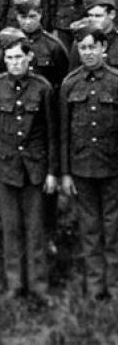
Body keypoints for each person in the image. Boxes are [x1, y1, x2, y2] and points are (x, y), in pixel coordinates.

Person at [0, 28, 57, 300]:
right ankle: (15, 285)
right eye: (10, 58)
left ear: (30, 58)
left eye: (19, 57)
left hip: (35, 169)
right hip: (6, 168)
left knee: (35, 229)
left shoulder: (43, 89)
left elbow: (51, 133)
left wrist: (51, 172)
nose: (14, 63)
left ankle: (38, 287)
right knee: (11, 229)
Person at [61, 20, 118, 299]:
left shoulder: (116, 82)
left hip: (113, 167)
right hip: (81, 167)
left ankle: (115, 286)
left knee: (114, 227)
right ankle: (96, 288)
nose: (88, 53)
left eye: (92, 47)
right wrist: (66, 173)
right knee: (90, 228)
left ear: (104, 47)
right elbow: (62, 133)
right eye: (82, 48)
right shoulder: (70, 84)